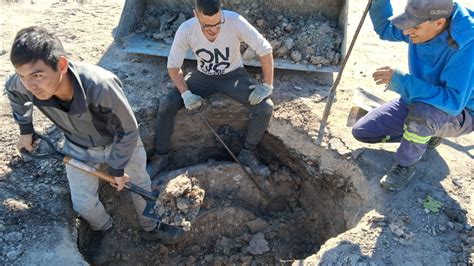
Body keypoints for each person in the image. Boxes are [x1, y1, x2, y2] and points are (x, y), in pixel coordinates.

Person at [5, 26, 183, 263]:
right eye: (23, 76)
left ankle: (152, 226)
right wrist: (26, 130)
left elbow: (128, 131)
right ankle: (104, 229)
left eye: (37, 75)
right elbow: (13, 91)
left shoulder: (99, 86)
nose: (30, 85)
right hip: (77, 148)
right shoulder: (24, 85)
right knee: (83, 205)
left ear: (61, 65)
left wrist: (118, 169)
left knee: (140, 185)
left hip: (119, 143)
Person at [352, 0, 473, 191]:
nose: (407, 32)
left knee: (422, 115)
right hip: (419, 98)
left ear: (439, 23)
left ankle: (406, 164)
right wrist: (378, 2)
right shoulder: (422, 24)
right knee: (362, 131)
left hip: (459, 112)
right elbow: (385, 28)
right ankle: (427, 135)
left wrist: (403, 82)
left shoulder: (467, 44)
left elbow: (453, 101)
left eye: (414, 27)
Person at [147, 0, 275, 179]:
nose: (213, 29)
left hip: (234, 76)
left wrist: (267, 85)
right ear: (196, 15)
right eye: (207, 25)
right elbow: (174, 66)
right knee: (168, 104)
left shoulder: (234, 21)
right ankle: (160, 157)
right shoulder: (186, 29)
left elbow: (265, 49)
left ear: (221, 13)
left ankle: (247, 153)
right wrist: (185, 93)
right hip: (202, 77)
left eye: (217, 23)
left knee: (265, 108)